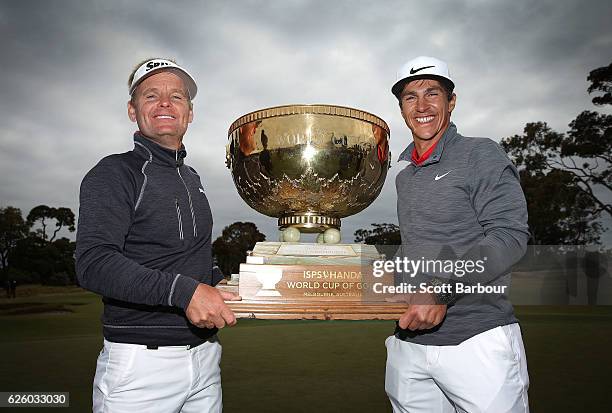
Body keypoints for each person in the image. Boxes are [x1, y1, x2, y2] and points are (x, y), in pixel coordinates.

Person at [76, 58, 241, 412]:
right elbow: (94, 263)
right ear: (132, 111)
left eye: (176, 97)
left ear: (190, 113)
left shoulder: (192, 178)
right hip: (140, 370)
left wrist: (219, 281)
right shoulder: (114, 173)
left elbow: (192, 256)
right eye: (151, 95)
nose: (165, 103)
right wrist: (185, 292)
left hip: (206, 360)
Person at [385, 56, 531, 412]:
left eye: (432, 94)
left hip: (476, 340)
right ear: (402, 108)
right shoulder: (405, 176)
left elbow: (509, 237)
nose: (422, 106)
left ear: (451, 102)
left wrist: (441, 292)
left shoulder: (480, 153)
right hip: (409, 342)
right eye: (410, 97)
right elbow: (416, 247)